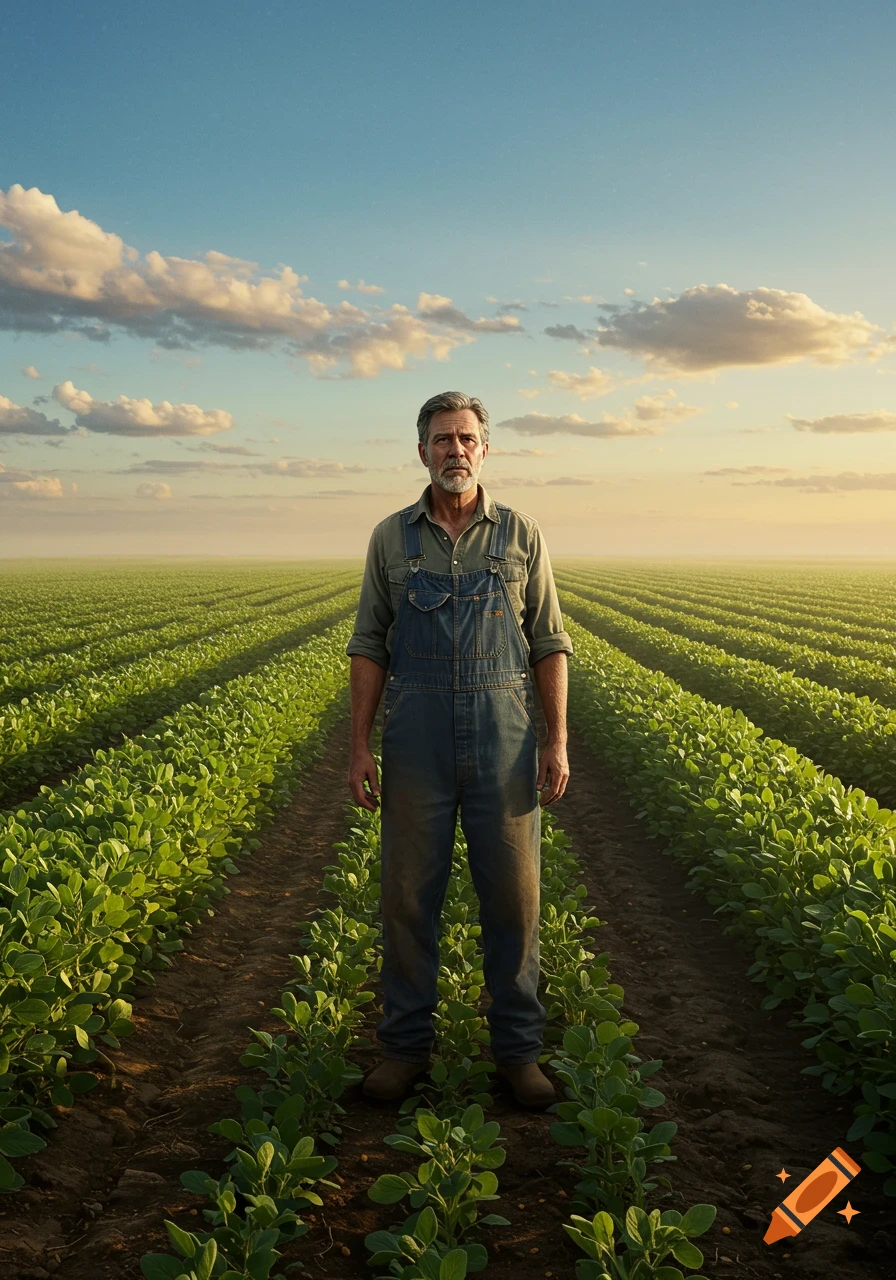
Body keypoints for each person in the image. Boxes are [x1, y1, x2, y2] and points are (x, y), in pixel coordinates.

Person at [345, 390, 573, 1109]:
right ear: (422, 452)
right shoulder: (392, 537)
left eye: (466, 438)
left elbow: (549, 642)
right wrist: (359, 746)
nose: (455, 450)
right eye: (441, 439)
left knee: (515, 898)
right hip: (415, 738)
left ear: (485, 449)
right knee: (409, 898)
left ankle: (518, 1054)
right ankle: (405, 1050)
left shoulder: (520, 534)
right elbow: (367, 645)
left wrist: (557, 738)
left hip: (505, 734)